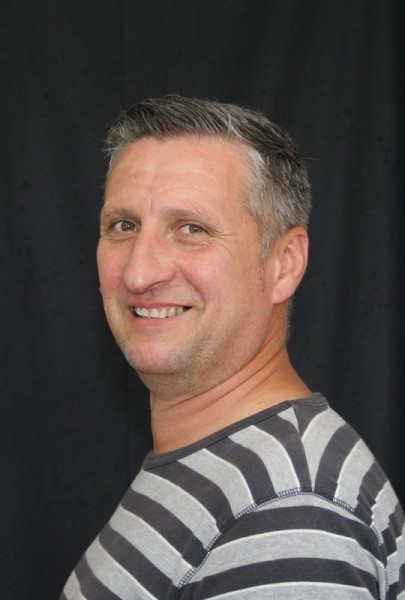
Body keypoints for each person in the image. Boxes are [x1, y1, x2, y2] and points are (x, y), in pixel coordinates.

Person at [61, 96, 405, 599]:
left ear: (284, 264)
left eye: (192, 229)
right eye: (124, 226)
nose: (138, 273)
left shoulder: (290, 514)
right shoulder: (228, 469)